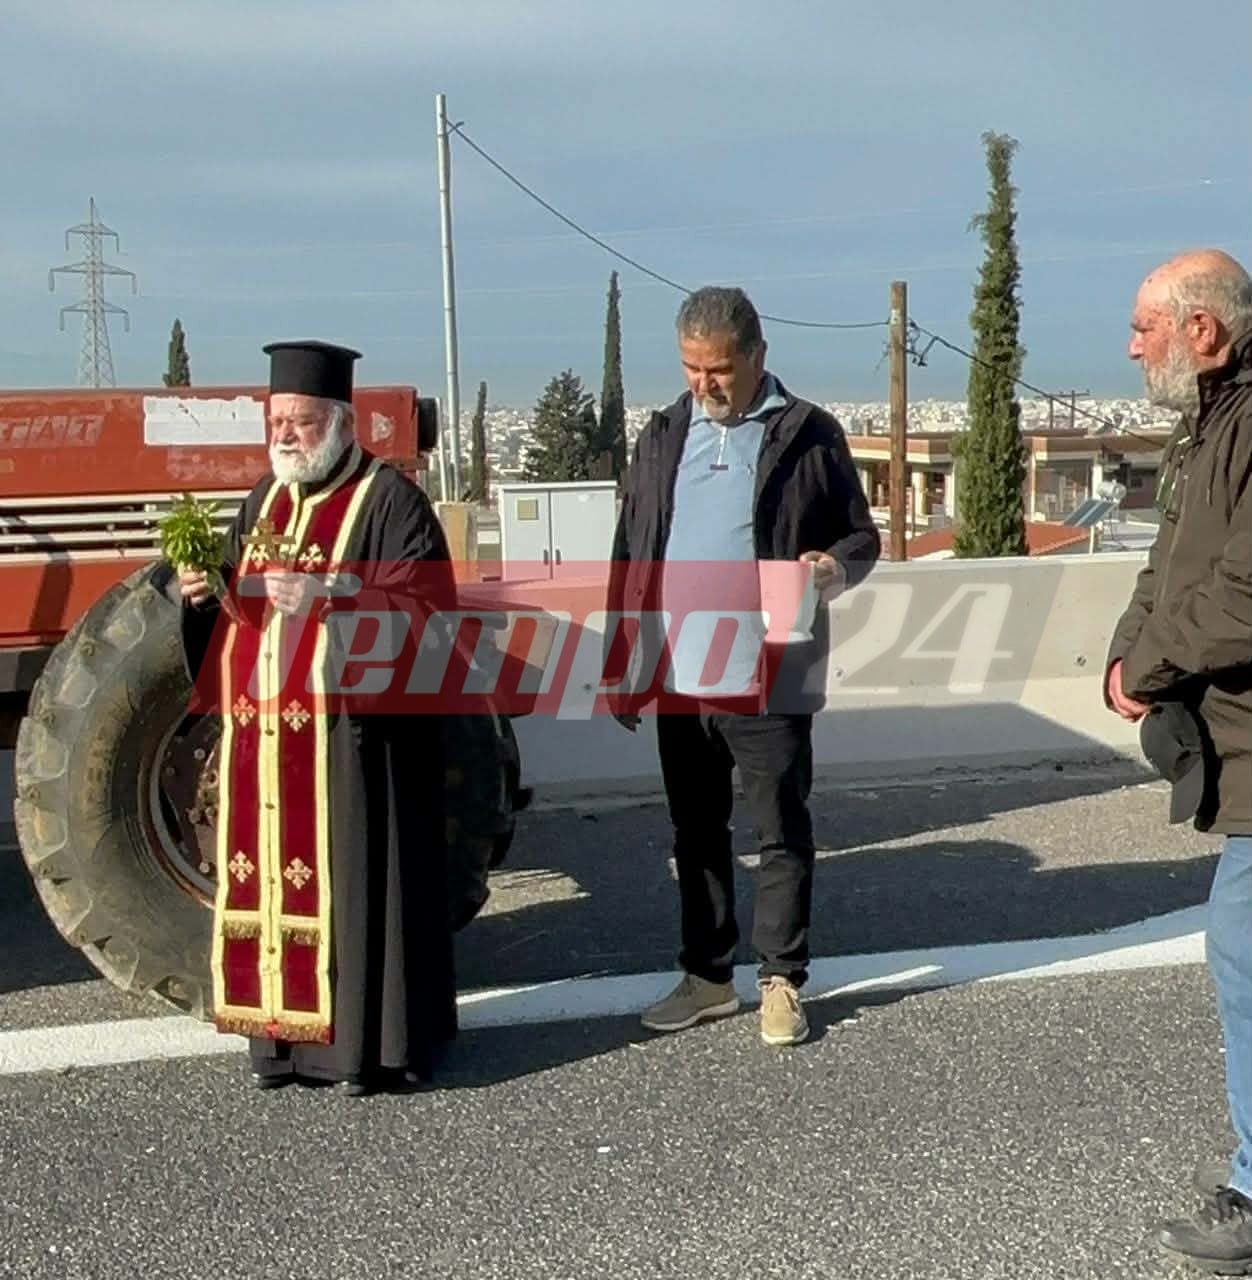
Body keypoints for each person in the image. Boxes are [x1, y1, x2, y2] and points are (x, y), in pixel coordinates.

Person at [180, 340, 458, 1096]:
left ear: (341, 420)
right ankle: (280, 1044)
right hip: (266, 739)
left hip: (353, 743)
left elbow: (429, 615)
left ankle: (360, 1054)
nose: (285, 436)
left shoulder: (390, 502)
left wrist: (336, 603)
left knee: (352, 881)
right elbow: (243, 607)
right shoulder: (263, 501)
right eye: (277, 422)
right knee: (269, 879)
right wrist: (207, 595)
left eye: (301, 421)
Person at [606, 286, 880, 1047]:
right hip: (679, 678)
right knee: (695, 833)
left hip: (771, 672)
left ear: (758, 357)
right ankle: (706, 977)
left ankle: (781, 981)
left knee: (780, 830)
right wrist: (622, 661)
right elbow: (631, 551)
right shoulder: (662, 435)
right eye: (692, 368)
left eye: (719, 368)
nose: (704, 384)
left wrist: (832, 568)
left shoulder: (810, 435)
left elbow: (863, 538)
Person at [1103, 249, 1252, 1270]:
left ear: (1202, 329)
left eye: (1143, 323)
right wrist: (1127, 649)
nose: (1130, 343)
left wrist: (1152, 657)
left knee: (1241, 954)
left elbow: (1245, 593)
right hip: (1236, 753)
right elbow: (1167, 560)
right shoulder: (1202, 424)